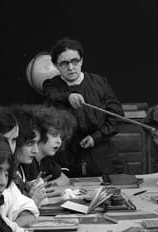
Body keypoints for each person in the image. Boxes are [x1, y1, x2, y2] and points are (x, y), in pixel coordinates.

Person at [42, 37, 124, 176]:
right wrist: (68, 97)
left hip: (101, 157)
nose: (71, 67)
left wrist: (95, 137)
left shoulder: (99, 83)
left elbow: (116, 117)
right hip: (66, 158)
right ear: (56, 65)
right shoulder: (51, 85)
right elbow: (53, 94)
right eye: (64, 63)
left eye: (75, 61)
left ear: (82, 60)